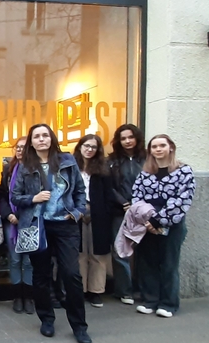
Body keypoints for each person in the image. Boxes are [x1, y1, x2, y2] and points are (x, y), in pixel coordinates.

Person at [11, 124, 92, 343]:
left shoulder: (67, 161)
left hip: (66, 224)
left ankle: (79, 326)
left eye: (45, 135)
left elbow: (79, 191)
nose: (41, 139)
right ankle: (46, 319)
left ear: (51, 138)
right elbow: (15, 196)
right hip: (38, 225)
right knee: (41, 275)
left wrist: (77, 212)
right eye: (37, 136)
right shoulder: (25, 166)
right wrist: (33, 198)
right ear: (31, 141)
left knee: (71, 274)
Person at [131, 134, 194, 318]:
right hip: (146, 224)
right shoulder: (145, 173)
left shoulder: (184, 171)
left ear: (170, 147)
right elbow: (136, 197)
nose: (158, 149)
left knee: (168, 264)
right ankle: (150, 300)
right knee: (147, 263)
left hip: (172, 225)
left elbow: (182, 199)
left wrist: (159, 220)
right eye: (154, 146)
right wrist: (147, 220)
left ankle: (168, 304)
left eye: (162, 145)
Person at [73, 134, 122, 308]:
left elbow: (109, 194)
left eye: (93, 147)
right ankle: (80, 290)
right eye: (86, 146)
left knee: (98, 254)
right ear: (80, 147)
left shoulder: (103, 170)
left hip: (98, 214)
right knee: (79, 254)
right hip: (76, 213)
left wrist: (104, 213)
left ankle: (96, 291)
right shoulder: (71, 167)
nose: (89, 149)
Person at [108, 124, 146, 305]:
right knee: (120, 250)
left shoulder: (147, 159)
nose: (127, 141)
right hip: (120, 210)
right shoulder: (112, 161)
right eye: (123, 138)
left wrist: (138, 205)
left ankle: (143, 289)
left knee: (143, 251)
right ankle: (124, 291)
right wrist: (123, 203)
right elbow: (109, 186)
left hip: (143, 211)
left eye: (130, 137)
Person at [0, 136, 34, 314]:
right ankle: (17, 297)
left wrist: (21, 215)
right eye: (17, 147)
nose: (19, 150)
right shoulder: (8, 169)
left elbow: (36, 196)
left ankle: (28, 297)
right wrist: (9, 214)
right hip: (11, 222)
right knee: (14, 259)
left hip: (29, 221)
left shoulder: (36, 169)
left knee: (28, 261)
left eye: (23, 147)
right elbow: (2, 195)